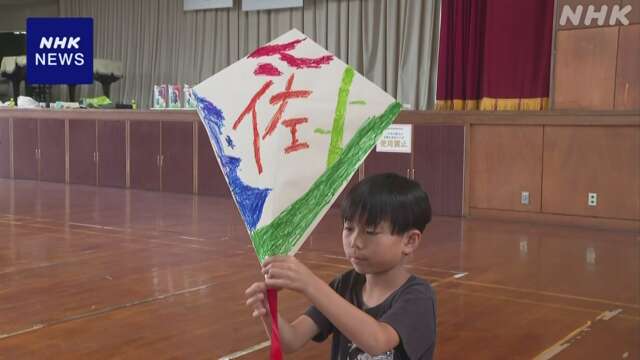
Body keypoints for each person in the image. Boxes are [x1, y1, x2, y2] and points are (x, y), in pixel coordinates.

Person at [245, 172, 436, 359]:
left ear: (410, 241)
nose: (355, 242)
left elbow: (377, 341)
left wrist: (310, 284)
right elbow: (292, 340)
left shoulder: (418, 296)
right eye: (349, 228)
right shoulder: (345, 284)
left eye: (370, 231)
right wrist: (269, 313)